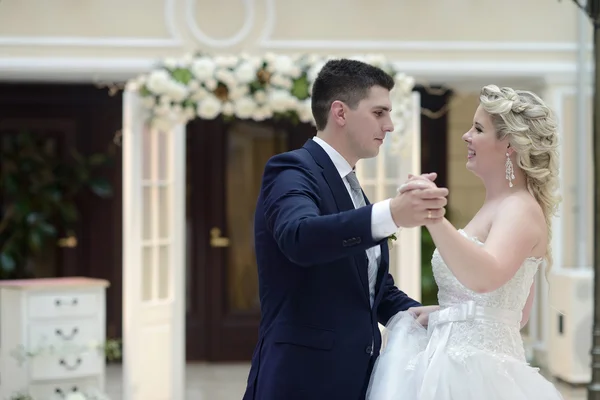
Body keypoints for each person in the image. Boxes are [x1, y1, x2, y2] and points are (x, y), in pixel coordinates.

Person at [242, 59, 447, 400]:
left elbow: (370, 290)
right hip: (300, 381)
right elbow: (301, 238)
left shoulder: (352, 187)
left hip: (358, 381)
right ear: (340, 112)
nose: (391, 125)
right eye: (379, 113)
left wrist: (425, 316)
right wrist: (391, 214)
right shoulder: (291, 169)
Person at [366, 84, 564, 399]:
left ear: (508, 143)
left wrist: (433, 216)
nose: (466, 136)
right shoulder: (497, 206)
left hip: (478, 375)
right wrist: (443, 313)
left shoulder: (520, 208)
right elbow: (514, 311)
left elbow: (485, 278)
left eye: (478, 129)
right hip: (450, 363)